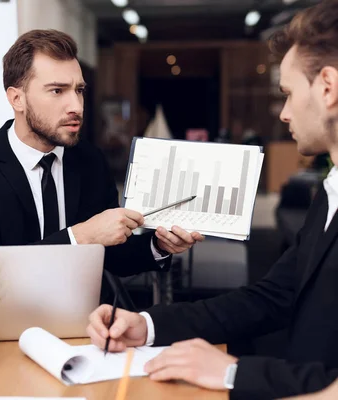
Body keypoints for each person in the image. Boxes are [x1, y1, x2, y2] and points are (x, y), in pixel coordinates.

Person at [86, 2, 338, 398]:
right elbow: (272, 296)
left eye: (288, 94)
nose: (285, 113)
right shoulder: (329, 193)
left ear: (328, 87)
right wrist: (146, 325)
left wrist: (234, 373)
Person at [0, 29, 203, 276]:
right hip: (12, 321)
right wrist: (81, 236)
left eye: (79, 90)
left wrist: (160, 246)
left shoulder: (90, 161)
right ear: (16, 99)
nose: (76, 106)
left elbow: (111, 258)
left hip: (90, 320)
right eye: (57, 90)